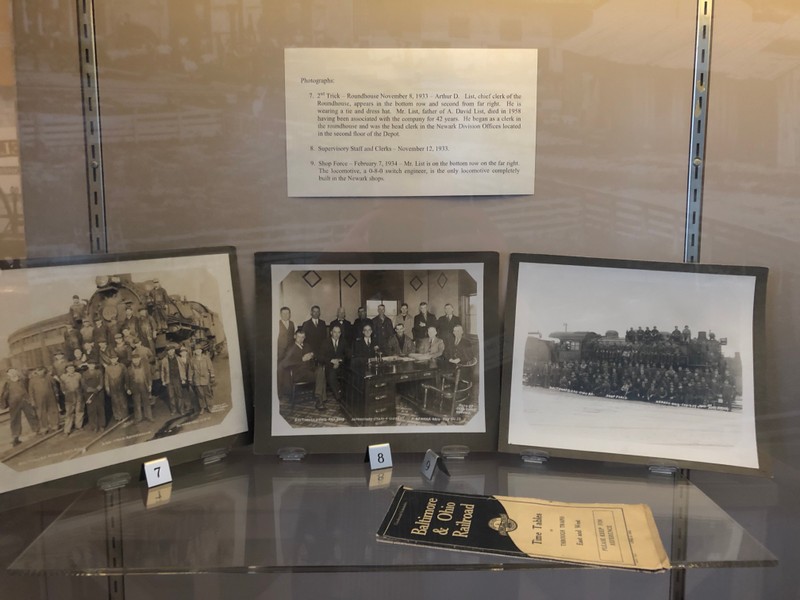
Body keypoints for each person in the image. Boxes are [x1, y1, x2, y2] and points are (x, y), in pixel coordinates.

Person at [278, 329, 319, 404]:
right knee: (319, 376)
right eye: (299, 337)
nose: (301, 339)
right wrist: (302, 359)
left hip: (308, 370)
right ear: (294, 336)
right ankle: (319, 398)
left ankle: (319, 396)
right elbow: (285, 363)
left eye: (303, 337)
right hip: (297, 373)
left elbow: (315, 353)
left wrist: (312, 355)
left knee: (321, 372)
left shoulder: (307, 345)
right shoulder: (290, 348)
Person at [1, 368, 40, 446]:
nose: (13, 373)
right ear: (8, 374)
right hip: (14, 403)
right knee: (15, 419)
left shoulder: (23, 380)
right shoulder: (7, 383)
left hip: (25, 400)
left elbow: (30, 388)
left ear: (17, 372)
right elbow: (3, 394)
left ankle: (37, 430)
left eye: (14, 371)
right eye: (10, 372)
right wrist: (3, 404)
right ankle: (16, 437)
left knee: (32, 415)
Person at [318, 324, 347, 403]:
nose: (337, 334)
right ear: (331, 332)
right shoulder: (325, 342)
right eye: (335, 332)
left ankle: (346, 394)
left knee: (350, 374)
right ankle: (338, 396)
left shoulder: (343, 342)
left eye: (338, 332)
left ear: (340, 333)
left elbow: (348, 355)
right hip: (329, 366)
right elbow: (320, 357)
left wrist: (339, 360)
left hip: (341, 366)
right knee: (331, 374)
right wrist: (331, 360)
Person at [28, 367, 59, 434]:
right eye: (38, 371)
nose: (40, 372)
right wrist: (32, 400)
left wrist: (56, 394)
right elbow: (31, 391)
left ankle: (54, 425)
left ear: (44, 371)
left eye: (42, 370)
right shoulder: (32, 380)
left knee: (53, 411)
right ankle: (44, 427)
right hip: (39, 399)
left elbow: (55, 386)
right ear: (36, 372)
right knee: (41, 413)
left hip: (51, 397)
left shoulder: (49, 377)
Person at [160, 343, 187, 415]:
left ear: (174, 351)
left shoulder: (178, 359)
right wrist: (163, 380)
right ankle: (173, 410)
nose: (170, 352)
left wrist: (183, 378)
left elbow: (183, 369)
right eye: (169, 351)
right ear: (167, 352)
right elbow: (162, 371)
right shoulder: (164, 360)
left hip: (177, 379)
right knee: (171, 396)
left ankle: (181, 410)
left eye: (172, 350)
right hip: (169, 380)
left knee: (179, 395)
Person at [127, 352, 153, 423]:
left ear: (139, 359)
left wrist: (150, 385)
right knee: (137, 404)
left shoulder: (145, 367)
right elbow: (127, 379)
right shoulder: (129, 369)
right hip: (134, 388)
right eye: (134, 359)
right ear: (132, 360)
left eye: (137, 359)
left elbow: (149, 377)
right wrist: (128, 388)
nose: (135, 360)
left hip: (144, 386)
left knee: (146, 402)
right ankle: (138, 418)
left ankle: (149, 416)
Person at [189, 346, 215, 413]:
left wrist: (212, 376)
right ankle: (202, 407)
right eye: (196, 350)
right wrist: (190, 379)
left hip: (205, 379)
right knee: (200, 394)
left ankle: (210, 406)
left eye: (199, 349)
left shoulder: (206, 358)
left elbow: (210, 367)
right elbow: (190, 370)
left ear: (201, 350)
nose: (198, 351)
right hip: (197, 380)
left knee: (207, 393)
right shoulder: (192, 360)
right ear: (194, 351)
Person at [81, 361, 106, 432]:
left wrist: (98, 389)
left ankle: (102, 425)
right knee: (91, 410)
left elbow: (101, 382)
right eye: (90, 365)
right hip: (89, 395)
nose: (91, 366)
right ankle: (94, 426)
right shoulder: (84, 374)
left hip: (99, 393)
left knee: (100, 409)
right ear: (88, 365)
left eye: (93, 364)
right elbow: (84, 385)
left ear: (94, 365)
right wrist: (91, 390)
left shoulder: (99, 372)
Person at [104, 353, 129, 421]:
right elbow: (106, 378)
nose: (113, 360)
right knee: (115, 402)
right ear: (110, 360)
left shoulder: (122, 366)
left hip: (121, 386)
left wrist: (127, 385)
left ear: (117, 358)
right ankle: (117, 416)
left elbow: (126, 376)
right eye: (112, 359)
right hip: (112, 387)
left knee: (123, 401)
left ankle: (125, 416)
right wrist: (107, 387)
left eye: (114, 359)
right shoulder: (108, 368)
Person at [60, 363, 84, 435]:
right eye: (69, 368)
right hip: (69, 397)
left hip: (79, 395)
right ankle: (67, 430)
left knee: (79, 411)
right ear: (66, 369)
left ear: (74, 368)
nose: (71, 369)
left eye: (72, 368)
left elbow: (82, 384)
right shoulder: (63, 377)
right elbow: (62, 388)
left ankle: (78, 426)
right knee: (69, 413)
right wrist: (66, 393)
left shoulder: (78, 375)